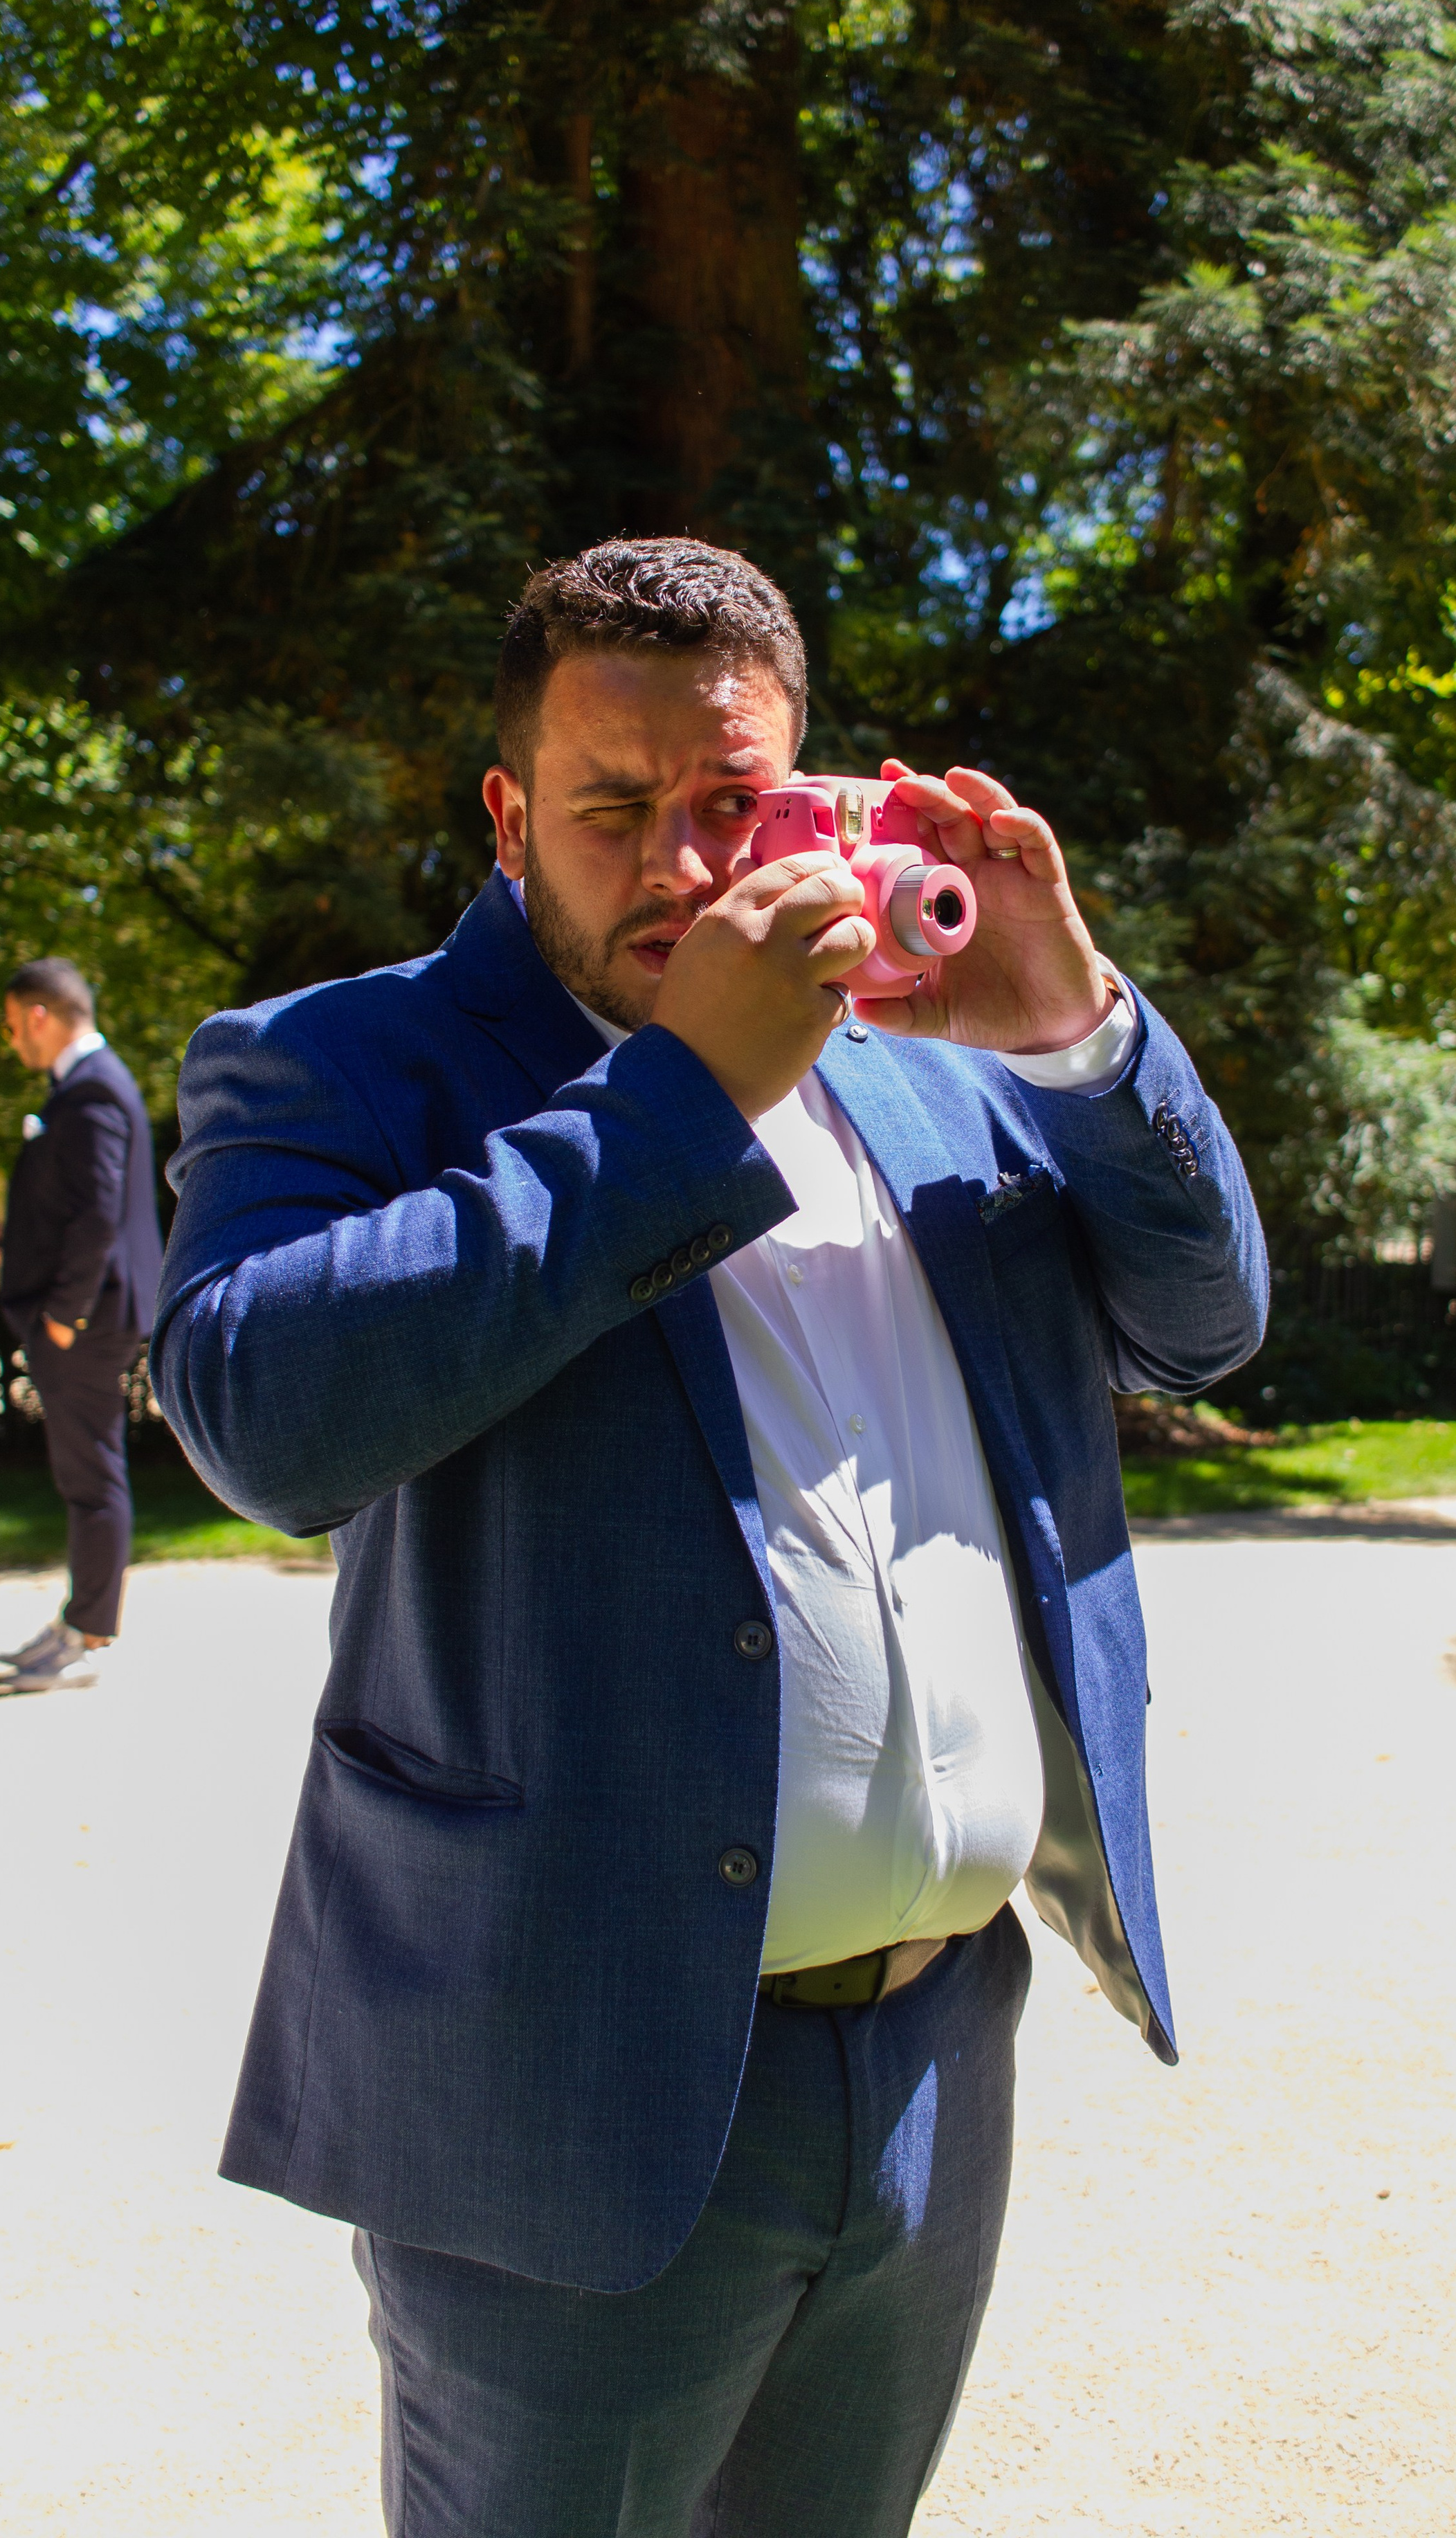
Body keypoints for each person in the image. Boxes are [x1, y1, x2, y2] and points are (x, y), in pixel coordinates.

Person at [153, 538, 1267, 2538]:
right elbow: (258, 1415)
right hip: (567, 2080)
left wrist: (1079, 1026)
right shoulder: (342, 1063)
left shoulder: (939, 1066)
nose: (686, 863)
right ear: (509, 817)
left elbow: (1209, 1320)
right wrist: (681, 1100)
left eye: (733, 803)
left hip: (937, 2048)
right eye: (615, 808)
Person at [0, 957, 163, 1690]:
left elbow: (98, 1218)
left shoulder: (91, 1091)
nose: (10, 1042)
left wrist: (65, 1317)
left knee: (91, 1478)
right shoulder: (88, 1088)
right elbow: (77, 1211)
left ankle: (87, 1634)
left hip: (86, 1323)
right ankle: (77, 1621)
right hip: (87, 1317)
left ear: (38, 1014)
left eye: (9, 1025)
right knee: (84, 1476)